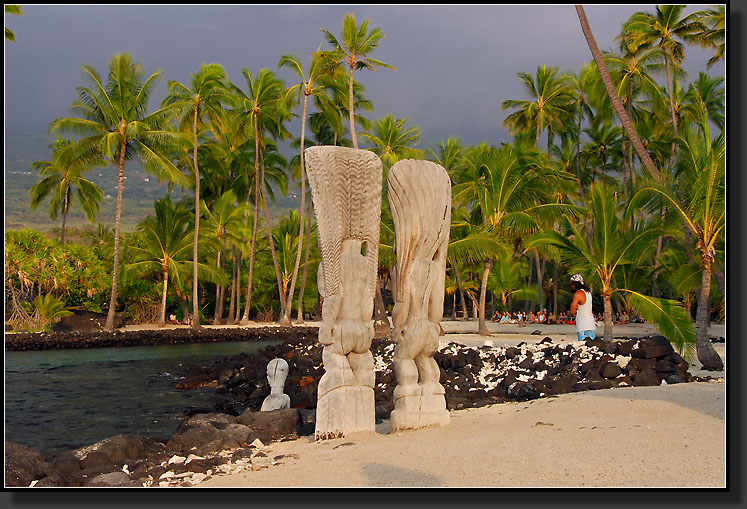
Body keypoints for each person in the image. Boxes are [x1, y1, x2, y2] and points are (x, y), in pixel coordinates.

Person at [569, 273, 595, 341]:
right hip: (591, 323)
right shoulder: (588, 293)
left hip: (583, 324)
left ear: (575, 284)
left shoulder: (578, 294)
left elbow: (572, 311)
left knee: (583, 346)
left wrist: (575, 307)